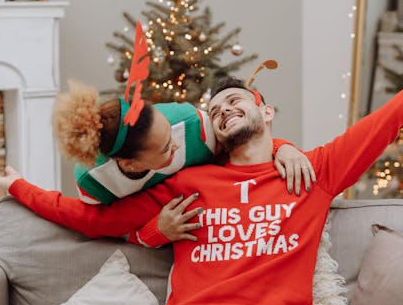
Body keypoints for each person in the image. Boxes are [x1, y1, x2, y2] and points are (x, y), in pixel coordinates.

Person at [0, 35, 403, 305]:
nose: (225, 106)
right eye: (215, 110)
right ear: (211, 132)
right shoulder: (187, 183)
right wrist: (17, 185)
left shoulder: (314, 171)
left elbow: (388, 118)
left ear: (266, 112)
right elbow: (90, 219)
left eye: (237, 99)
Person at [52, 81, 316, 245]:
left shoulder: (191, 125)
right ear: (132, 165)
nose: (177, 144)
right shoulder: (94, 183)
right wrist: (154, 232)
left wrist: (283, 148)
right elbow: (105, 227)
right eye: (167, 147)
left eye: (169, 130)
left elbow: (245, 144)